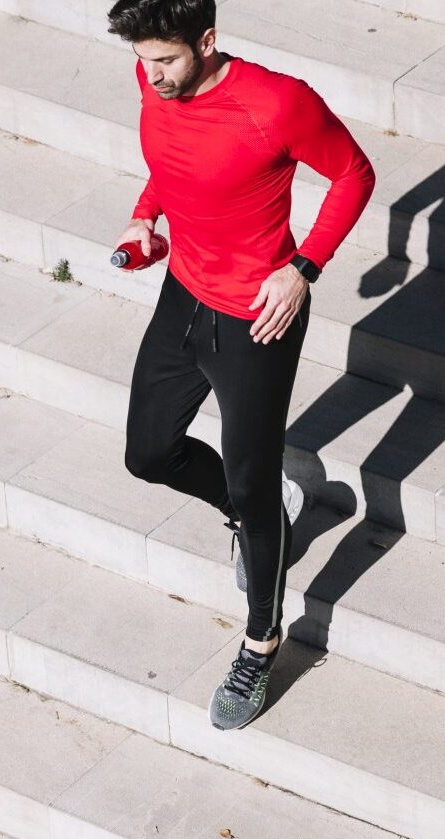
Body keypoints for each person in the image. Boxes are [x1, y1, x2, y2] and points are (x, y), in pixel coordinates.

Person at [110, 0, 375, 730]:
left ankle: (262, 642)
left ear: (208, 40)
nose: (151, 75)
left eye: (165, 59)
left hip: (258, 314)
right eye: (142, 60)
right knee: (147, 452)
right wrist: (146, 213)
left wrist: (303, 268)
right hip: (183, 295)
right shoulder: (153, 80)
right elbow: (174, 161)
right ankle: (247, 515)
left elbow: (353, 174)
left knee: (252, 477)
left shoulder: (275, 102)